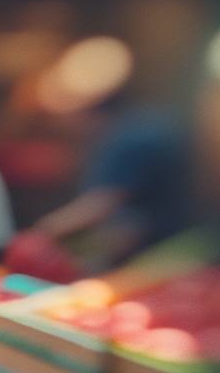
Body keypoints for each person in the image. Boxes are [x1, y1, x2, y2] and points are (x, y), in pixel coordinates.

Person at [25, 106, 190, 273]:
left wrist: (41, 232)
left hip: (154, 258)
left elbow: (101, 204)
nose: (57, 127)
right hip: (156, 250)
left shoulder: (135, 140)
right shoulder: (136, 126)